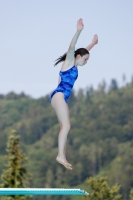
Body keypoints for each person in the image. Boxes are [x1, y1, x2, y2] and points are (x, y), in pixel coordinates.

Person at [50, 18, 98, 170]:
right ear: (78, 57)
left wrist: (93, 44)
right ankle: (60, 156)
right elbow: (73, 48)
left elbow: (82, 51)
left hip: (61, 97)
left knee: (65, 126)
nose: (86, 62)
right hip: (59, 95)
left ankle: (61, 155)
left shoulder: (76, 62)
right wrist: (79, 31)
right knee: (66, 126)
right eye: (86, 59)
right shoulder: (70, 61)